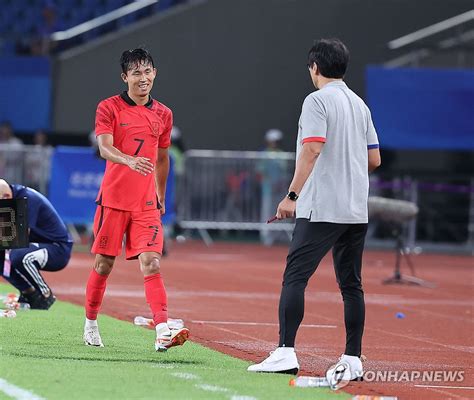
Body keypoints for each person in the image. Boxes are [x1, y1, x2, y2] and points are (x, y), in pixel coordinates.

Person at [247, 39, 381, 379]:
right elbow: (374, 159)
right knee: (351, 284)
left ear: (314, 68)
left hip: (321, 206)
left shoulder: (317, 100)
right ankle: (352, 358)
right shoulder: (359, 105)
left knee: (295, 276)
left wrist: (291, 196)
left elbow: (312, 150)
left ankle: (285, 351)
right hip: (355, 209)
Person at [83, 48, 189, 351]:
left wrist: (160, 193)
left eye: (147, 72)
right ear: (125, 77)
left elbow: (163, 158)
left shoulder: (164, 114)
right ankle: (91, 322)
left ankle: (163, 330)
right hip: (113, 200)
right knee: (103, 265)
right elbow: (105, 147)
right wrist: (128, 161)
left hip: (145, 204)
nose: (143, 78)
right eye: (136, 73)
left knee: (152, 262)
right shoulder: (108, 108)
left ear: (154, 73)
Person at [0, 179, 73, 309]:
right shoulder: (10, 199)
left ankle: (45, 295)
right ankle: (29, 293)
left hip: (58, 248)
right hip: (37, 245)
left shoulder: (27, 198)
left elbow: (21, 235)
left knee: (18, 255)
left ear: (6, 197)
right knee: (3, 258)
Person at [257, 129, 287, 245]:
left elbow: (285, 172)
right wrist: (269, 182)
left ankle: (280, 236)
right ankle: (266, 236)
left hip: (281, 189)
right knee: (267, 212)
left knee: (281, 213)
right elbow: (260, 172)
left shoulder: (282, 154)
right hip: (268, 189)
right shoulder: (264, 154)